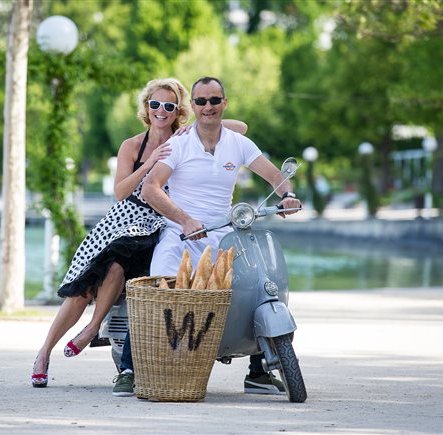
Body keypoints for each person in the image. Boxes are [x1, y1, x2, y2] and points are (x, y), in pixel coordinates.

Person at [32, 77, 247, 388]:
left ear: (178, 111)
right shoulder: (132, 145)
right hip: (128, 218)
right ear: (146, 108)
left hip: (163, 221)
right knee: (85, 287)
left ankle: (93, 329)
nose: (161, 111)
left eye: (169, 106)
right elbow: (121, 192)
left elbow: (240, 129)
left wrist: (206, 119)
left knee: (121, 268)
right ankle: (43, 354)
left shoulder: (186, 137)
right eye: (155, 104)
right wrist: (149, 165)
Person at [113, 76, 302, 397]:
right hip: (179, 233)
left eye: (214, 100)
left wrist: (287, 195)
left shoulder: (238, 144)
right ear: (194, 106)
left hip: (225, 232)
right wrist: (184, 220)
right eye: (201, 101)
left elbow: (273, 175)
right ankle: (130, 368)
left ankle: (258, 372)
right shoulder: (178, 144)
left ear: (223, 103)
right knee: (161, 288)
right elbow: (151, 188)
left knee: (258, 285)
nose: (208, 107)